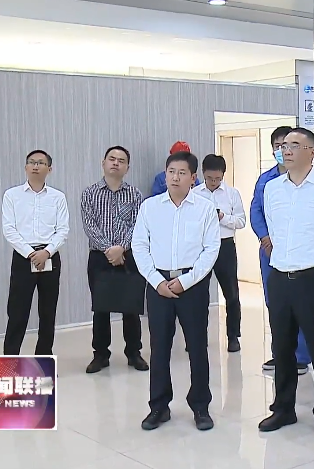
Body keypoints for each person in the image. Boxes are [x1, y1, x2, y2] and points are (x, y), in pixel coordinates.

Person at [258, 127, 314, 438]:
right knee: (282, 347)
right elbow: (274, 230)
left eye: (294, 145)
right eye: (284, 145)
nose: (286, 150)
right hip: (280, 277)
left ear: (312, 152)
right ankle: (283, 408)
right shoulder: (272, 189)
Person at [133, 151, 221, 432]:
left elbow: (211, 250)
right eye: (171, 172)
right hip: (158, 284)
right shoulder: (150, 207)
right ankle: (159, 407)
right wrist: (156, 281)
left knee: (197, 346)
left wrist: (187, 281)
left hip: (192, 285)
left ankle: (201, 407)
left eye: (182, 173)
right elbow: (139, 246)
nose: (175, 177)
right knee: (159, 347)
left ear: (193, 178)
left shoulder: (205, 208)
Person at [80, 146, 149, 374]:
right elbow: (90, 226)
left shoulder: (135, 194)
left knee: (131, 307)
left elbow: (138, 225)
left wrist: (121, 248)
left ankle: (134, 353)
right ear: (103, 163)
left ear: (127, 167)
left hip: (128, 256)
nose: (116, 163)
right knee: (101, 308)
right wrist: (109, 250)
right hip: (99, 257)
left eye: (121, 160)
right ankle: (100, 355)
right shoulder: (89, 193)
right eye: (112, 159)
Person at [249, 126, 311, 375]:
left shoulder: (311, 181)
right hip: (270, 252)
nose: (283, 150)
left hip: (298, 253)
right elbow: (256, 210)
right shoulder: (266, 180)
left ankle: (301, 356)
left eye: (288, 145)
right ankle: (281, 354)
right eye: (278, 146)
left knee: (301, 304)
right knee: (275, 303)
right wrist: (265, 238)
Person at [1, 150, 70, 356]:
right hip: (23, 258)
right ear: (26, 167)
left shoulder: (58, 197)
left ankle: (43, 359)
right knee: (17, 312)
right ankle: (10, 360)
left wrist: (46, 252)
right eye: (32, 162)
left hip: (50, 256)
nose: (36, 166)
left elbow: (63, 230)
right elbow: (9, 229)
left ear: (50, 169)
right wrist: (32, 254)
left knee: (48, 312)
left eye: (41, 163)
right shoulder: (12, 195)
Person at [193, 154, 247, 352]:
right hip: (201, 247)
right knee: (199, 295)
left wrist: (222, 217)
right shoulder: (194, 194)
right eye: (209, 178)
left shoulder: (232, 194)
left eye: (217, 178)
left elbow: (241, 221)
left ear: (223, 175)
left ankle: (233, 336)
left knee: (231, 294)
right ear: (202, 174)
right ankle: (198, 337)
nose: (213, 182)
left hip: (225, 246)